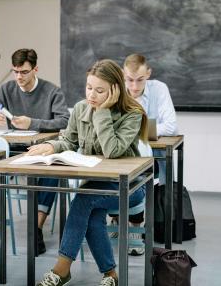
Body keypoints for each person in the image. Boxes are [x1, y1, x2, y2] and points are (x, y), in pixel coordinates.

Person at [27, 59, 148, 286]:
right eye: (89, 87)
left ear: (115, 90)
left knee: (83, 199)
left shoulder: (132, 113)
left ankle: (61, 270)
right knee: (90, 211)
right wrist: (52, 147)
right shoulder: (81, 108)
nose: (91, 95)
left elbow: (112, 151)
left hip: (129, 187)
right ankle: (111, 276)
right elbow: (69, 141)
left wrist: (102, 112)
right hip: (96, 186)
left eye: (99, 90)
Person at [0, 48, 70, 254]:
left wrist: (31, 122)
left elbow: (64, 120)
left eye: (24, 72)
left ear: (35, 69)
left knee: (52, 168)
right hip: (12, 148)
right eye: (15, 71)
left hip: (43, 148)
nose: (19, 77)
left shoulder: (52, 91)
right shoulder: (6, 90)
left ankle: (35, 228)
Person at [121, 53, 178, 255]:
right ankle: (118, 218)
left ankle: (136, 229)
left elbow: (171, 126)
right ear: (122, 75)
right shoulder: (115, 89)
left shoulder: (159, 89)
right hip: (121, 151)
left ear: (148, 74)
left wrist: (134, 130)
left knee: (142, 174)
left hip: (149, 154)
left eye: (140, 80)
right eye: (129, 80)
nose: (134, 86)